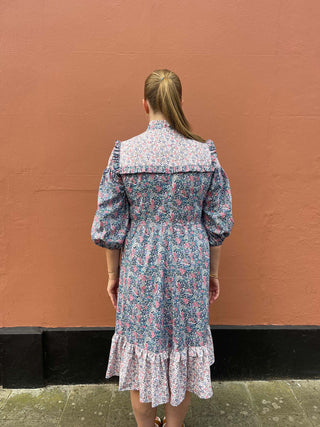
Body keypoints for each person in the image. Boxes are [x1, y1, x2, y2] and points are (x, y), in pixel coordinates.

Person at [91, 68, 235, 427]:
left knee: (143, 351)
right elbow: (216, 225)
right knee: (182, 352)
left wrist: (113, 274)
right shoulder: (204, 154)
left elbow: (111, 227)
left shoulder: (125, 154)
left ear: (144, 104)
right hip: (191, 260)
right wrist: (213, 273)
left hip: (140, 261)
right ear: (180, 103)